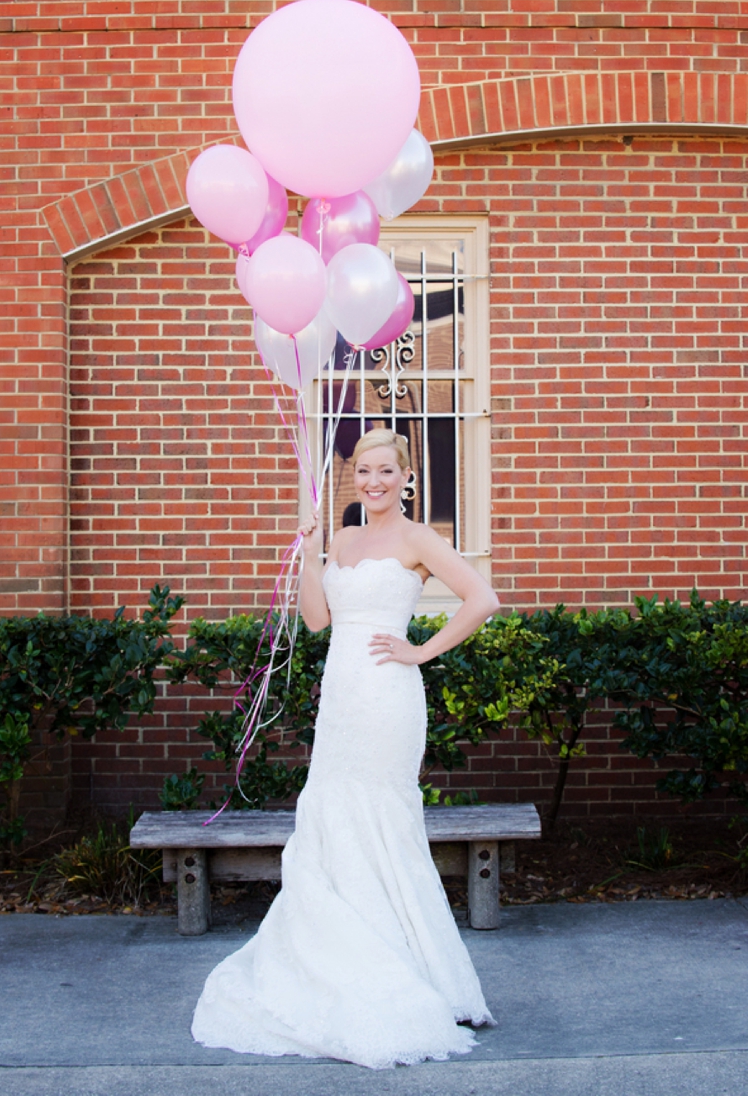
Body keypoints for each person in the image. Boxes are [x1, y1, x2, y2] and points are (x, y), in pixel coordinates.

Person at [192, 428, 501, 1069]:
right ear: (352, 477)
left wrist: (420, 649)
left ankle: (413, 971)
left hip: (388, 697)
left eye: (386, 471)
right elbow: (314, 621)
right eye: (364, 471)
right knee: (333, 815)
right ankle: (343, 956)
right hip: (341, 698)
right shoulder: (346, 539)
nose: (374, 481)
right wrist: (308, 556)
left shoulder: (419, 538)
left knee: (384, 820)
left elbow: (483, 599)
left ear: (406, 477)